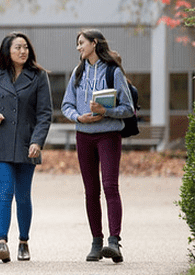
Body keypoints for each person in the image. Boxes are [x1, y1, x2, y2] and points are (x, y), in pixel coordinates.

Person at [61, 29, 134, 263]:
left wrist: (107, 112)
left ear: (94, 43)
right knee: (91, 192)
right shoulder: (78, 72)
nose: (78, 48)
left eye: (81, 43)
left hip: (109, 135)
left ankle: (114, 242)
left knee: (110, 187)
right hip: (84, 136)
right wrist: (78, 117)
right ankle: (96, 242)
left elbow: (129, 108)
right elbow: (66, 105)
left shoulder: (113, 71)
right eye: (77, 44)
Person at [0, 32, 53, 263]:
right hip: (1, 143)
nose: (23, 51)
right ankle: (1, 242)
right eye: (17, 48)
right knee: (4, 193)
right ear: (7, 51)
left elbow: (45, 114)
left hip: (26, 144)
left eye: (25, 47)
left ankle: (23, 242)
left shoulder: (39, 76)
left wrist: (37, 141)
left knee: (23, 196)